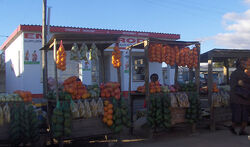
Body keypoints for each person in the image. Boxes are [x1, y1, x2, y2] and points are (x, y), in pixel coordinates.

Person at [229, 58, 250, 135]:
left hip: (242, 99)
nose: (245, 65)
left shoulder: (240, 73)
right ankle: (234, 128)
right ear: (239, 65)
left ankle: (240, 130)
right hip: (239, 99)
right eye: (243, 64)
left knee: (242, 116)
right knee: (239, 117)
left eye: (245, 64)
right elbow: (237, 85)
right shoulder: (238, 73)